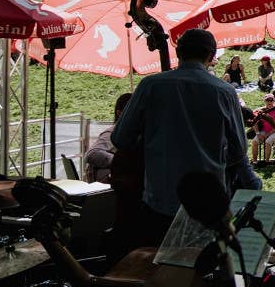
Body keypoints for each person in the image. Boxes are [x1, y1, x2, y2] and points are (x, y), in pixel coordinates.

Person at [110, 29, 261, 252]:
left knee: (159, 271)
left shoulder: (150, 86)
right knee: (202, 277)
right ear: (211, 56)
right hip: (208, 205)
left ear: (178, 52)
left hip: (158, 200)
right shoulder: (225, 92)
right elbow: (238, 151)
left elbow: (120, 139)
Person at [85, 93, 132, 183]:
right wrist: (122, 162)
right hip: (108, 190)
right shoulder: (114, 133)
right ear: (119, 113)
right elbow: (92, 154)